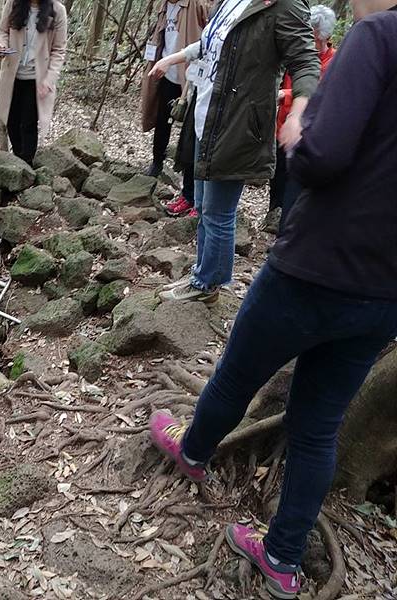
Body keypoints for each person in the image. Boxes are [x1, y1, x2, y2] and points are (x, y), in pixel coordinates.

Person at [148, 1, 397, 597]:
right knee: (318, 425)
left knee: (237, 375)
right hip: (383, 290)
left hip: (314, 264)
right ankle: (283, 559)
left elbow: (325, 153)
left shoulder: (378, 36)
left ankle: (193, 451)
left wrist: (296, 135)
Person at [148, 0, 320, 304]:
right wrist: (171, 59)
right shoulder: (228, 1)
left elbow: (306, 62)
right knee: (203, 205)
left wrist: (298, 114)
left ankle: (208, 284)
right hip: (207, 115)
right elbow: (212, 43)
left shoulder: (285, 6)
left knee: (218, 211)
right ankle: (203, 275)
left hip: (240, 123)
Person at [268, 5, 337, 232]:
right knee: (277, 179)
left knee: (294, 186)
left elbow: (320, 93)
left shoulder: (332, 61)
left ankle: (285, 232)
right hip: (281, 126)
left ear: (322, 36)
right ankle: (273, 218)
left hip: (304, 133)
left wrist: (285, 96)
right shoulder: (296, 52)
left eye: (314, 37)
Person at [140, 0, 209, 217]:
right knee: (162, 119)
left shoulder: (196, 5)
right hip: (165, 71)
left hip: (190, 77)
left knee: (190, 133)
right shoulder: (163, 6)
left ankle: (193, 195)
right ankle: (157, 161)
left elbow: (204, 39)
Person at [0, 0, 67, 166]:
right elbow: (2, 31)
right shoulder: (13, 4)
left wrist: (50, 79)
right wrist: (1, 45)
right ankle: (18, 161)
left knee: (28, 124)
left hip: (37, 79)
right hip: (12, 76)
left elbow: (59, 50)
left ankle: (25, 166)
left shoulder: (57, 10)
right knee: (11, 121)